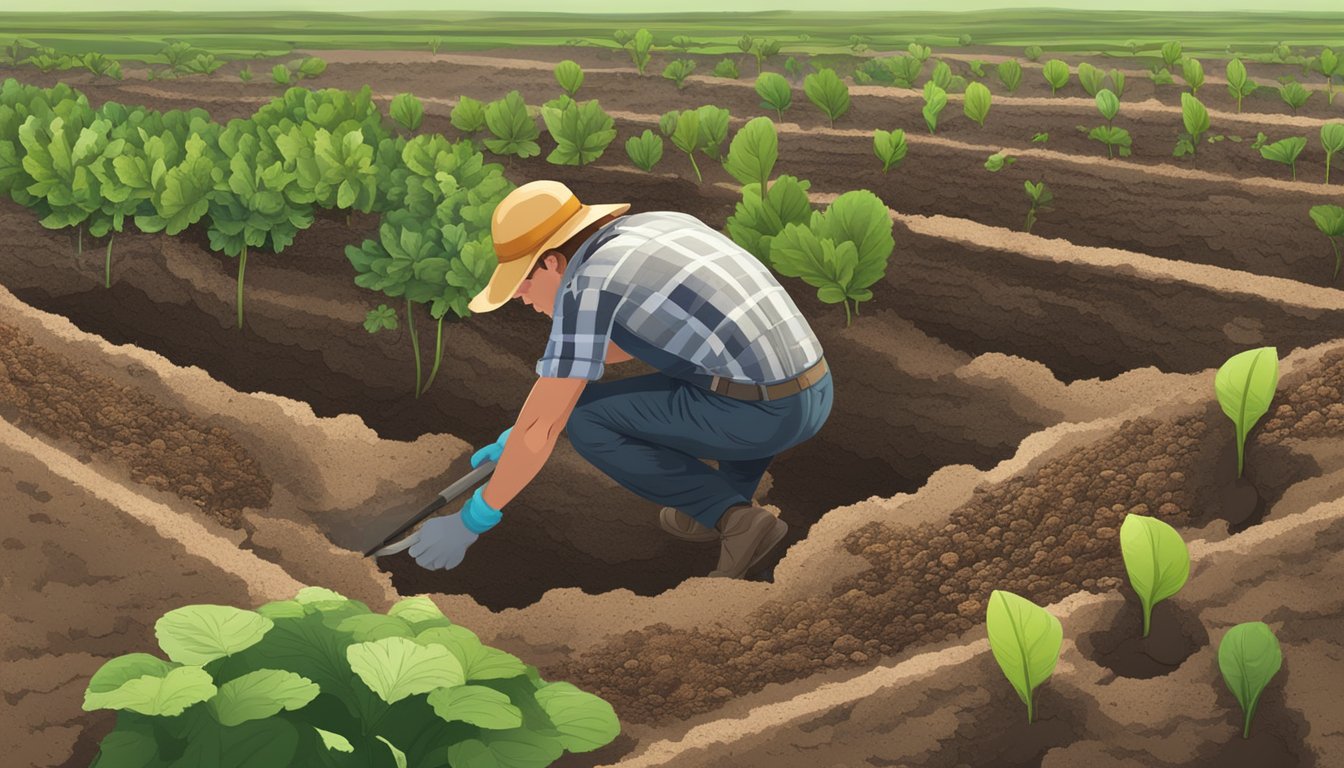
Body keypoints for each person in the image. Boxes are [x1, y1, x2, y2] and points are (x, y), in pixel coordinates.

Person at [409, 180, 832, 579]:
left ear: (553, 262)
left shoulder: (588, 283)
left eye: (522, 282)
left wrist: (471, 521)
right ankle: (724, 496)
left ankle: (735, 518)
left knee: (586, 420)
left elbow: (547, 425)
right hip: (813, 390)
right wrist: (520, 434)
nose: (520, 297)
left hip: (763, 414)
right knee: (710, 371)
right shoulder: (660, 224)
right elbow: (636, 339)